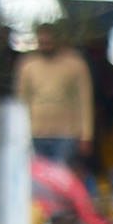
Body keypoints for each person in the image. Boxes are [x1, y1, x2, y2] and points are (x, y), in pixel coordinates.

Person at [14, 21, 96, 168]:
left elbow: (85, 100)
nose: (46, 44)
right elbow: (21, 101)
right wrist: (19, 132)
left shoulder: (75, 64)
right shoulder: (28, 65)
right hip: (36, 132)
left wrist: (86, 134)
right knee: (41, 177)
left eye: (49, 41)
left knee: (61, 174)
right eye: (42, 41)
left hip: (66, 133)